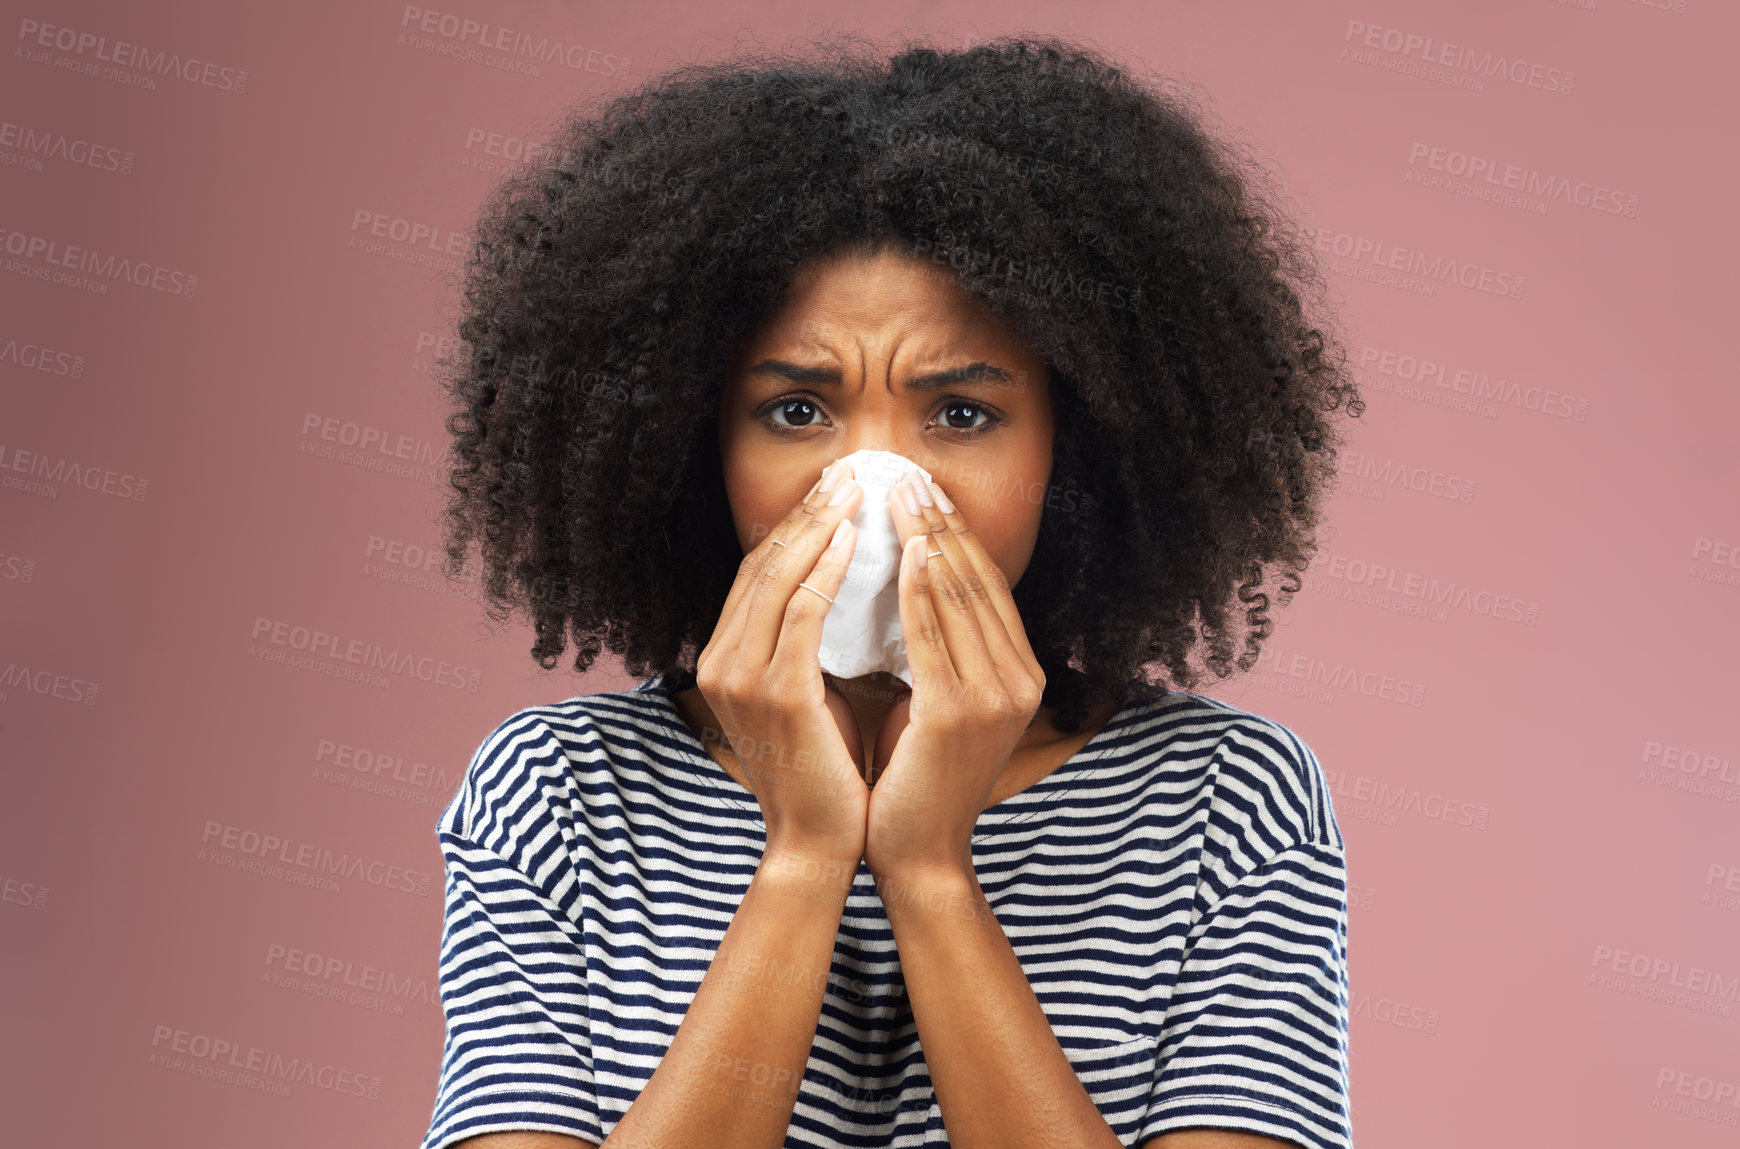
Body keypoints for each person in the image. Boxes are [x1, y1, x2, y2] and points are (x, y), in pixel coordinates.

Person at [421, 31, 1365, 1149]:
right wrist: (805, 854)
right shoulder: (556, 796)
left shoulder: (1230, 806)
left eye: (961, 413)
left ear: (1079, 448)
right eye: (797, 411)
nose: (873, 485)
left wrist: (928, 871)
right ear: (693, 445)